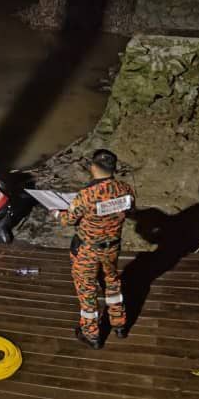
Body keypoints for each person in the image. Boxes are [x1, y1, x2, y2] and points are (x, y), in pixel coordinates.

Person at [52, 148, 135, 349]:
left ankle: (91, 334)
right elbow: (130, 210)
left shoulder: (86, 195)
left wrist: (55, 213)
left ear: (93, 168)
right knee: (112, 283)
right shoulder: (125, 189)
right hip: (112, 248)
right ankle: (119, 324)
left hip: (88, 251)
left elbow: (68, 220)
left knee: (87, 290)